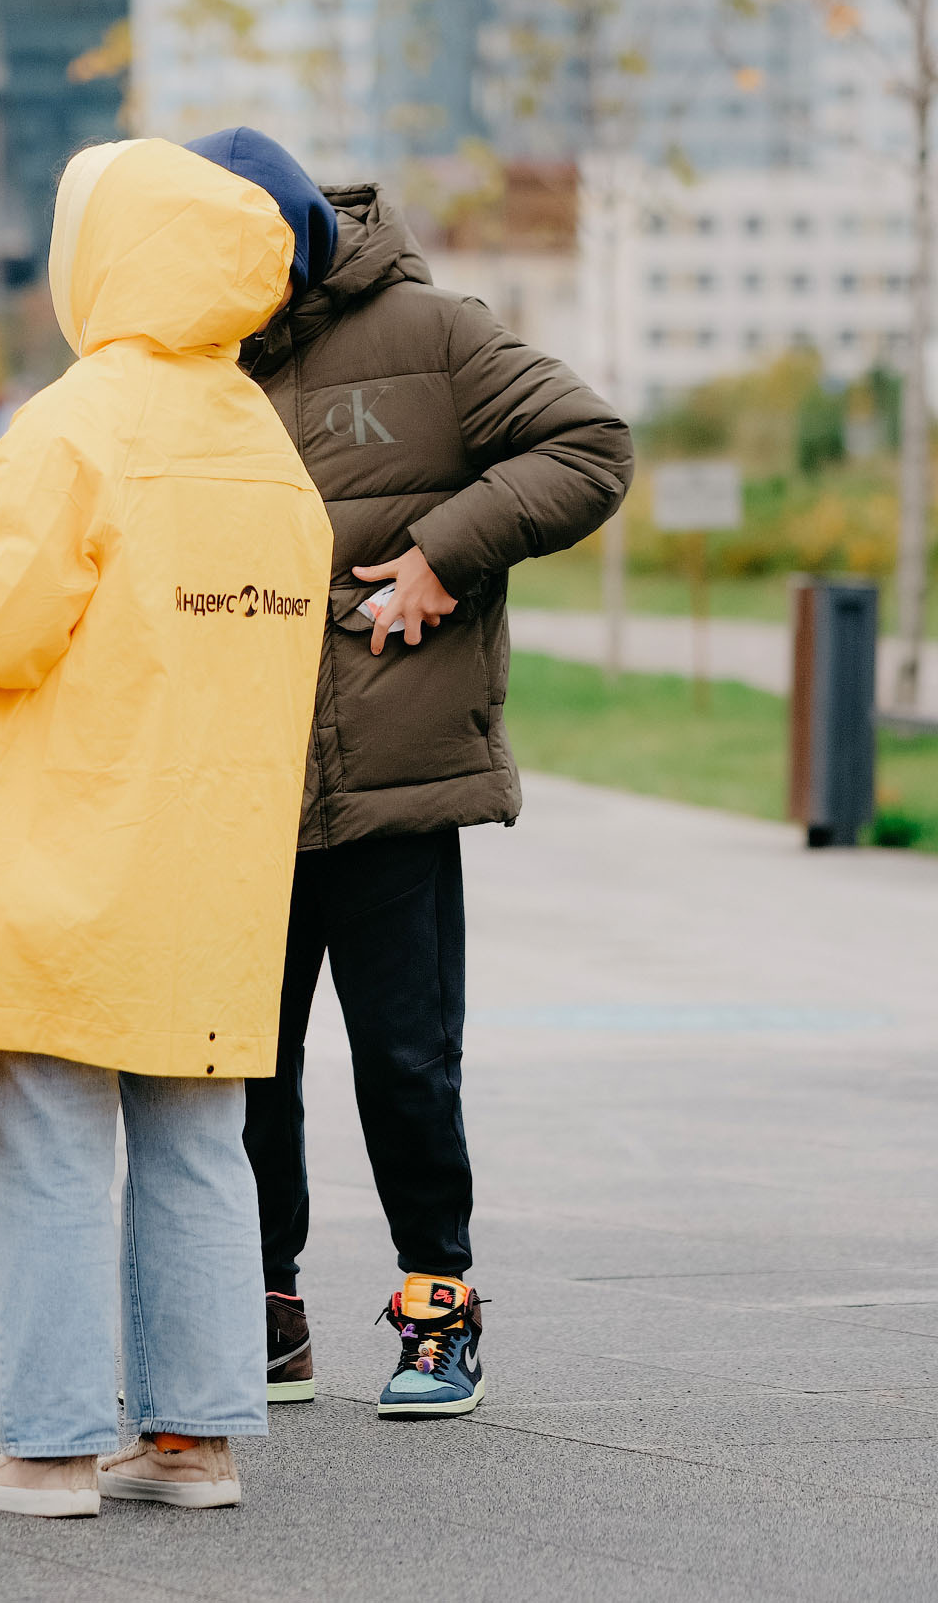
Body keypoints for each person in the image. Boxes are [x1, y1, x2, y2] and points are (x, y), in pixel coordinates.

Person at [0, 137, 331, 1518]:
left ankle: (52, 1445)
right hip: (217, 868)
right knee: (195, 1149)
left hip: (65, 850)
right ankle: (196, 1440)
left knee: (45, 1152)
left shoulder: (73, 425)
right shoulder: (262, 440)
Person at [186, 127, 633, 1420]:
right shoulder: (183, 364)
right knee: (240, 1063)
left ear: (297, 234)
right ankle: (264, 1306)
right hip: (235, 788)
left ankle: (438, 1304)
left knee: (406, 1061)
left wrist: (446, 551)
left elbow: (587, 444)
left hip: (392, 778)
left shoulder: (433, 332)